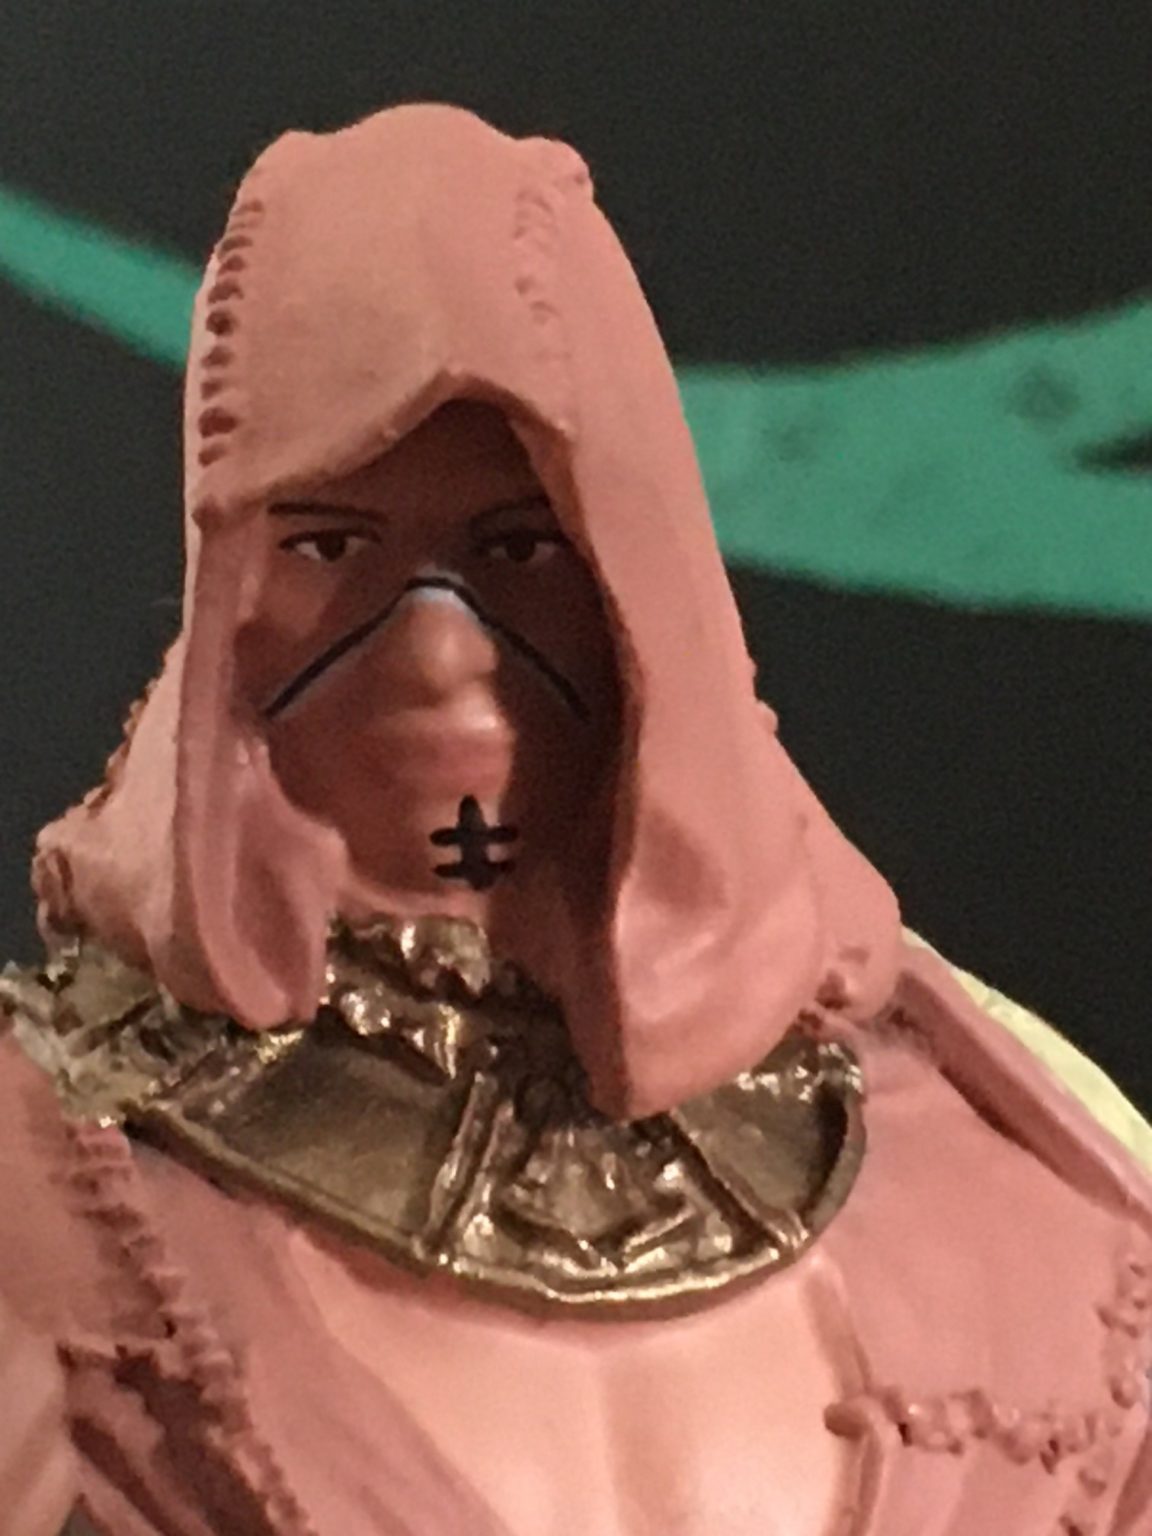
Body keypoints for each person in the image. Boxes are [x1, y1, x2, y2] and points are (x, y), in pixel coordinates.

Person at [1, 102, 1150, 1536]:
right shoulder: (49, 1190)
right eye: (328, 546)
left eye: (521, 545)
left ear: (636, 574)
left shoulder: (1024, 1157)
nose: (436, 650)